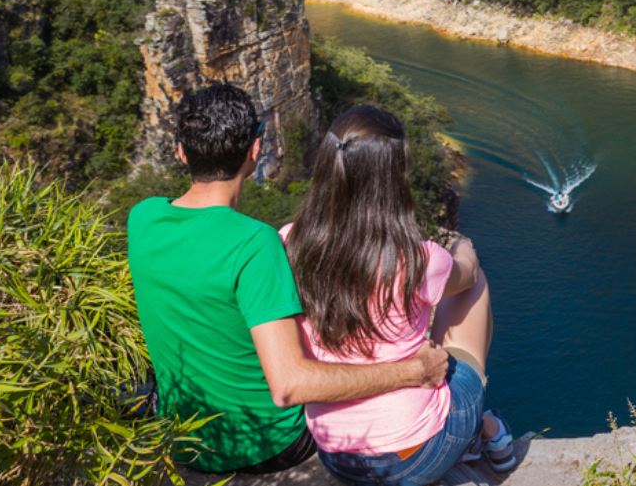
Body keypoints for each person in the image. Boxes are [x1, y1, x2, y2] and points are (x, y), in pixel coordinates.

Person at [127, 83, 449, 474]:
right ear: (255, 151)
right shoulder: (254, 244)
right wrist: (414, 371)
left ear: (181, 150)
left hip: (182, 439)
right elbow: (289, 384)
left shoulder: (142, 218)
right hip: (267, 444)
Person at [281, 105, 517, 486]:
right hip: (417, 454)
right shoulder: (415, 258)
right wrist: (460, 244)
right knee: (473, 284)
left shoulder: (289, 244)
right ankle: (485, 431)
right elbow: (467, 271)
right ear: (393, 178)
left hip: (336, 456)